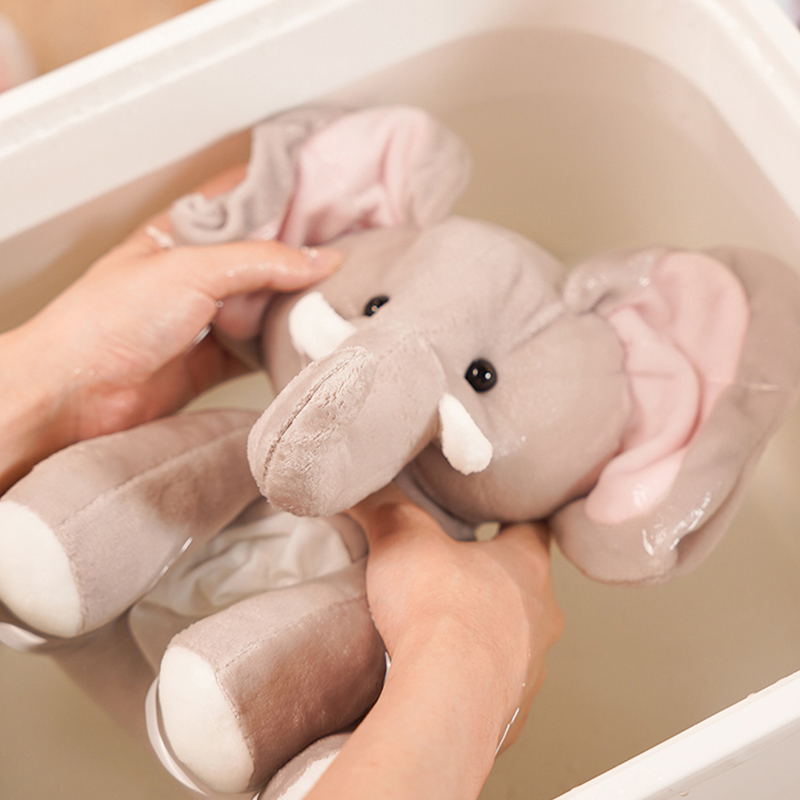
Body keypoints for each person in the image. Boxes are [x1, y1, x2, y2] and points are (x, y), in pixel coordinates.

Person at [0, 169, 563, 800]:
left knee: (309, 664)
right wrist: (468, 653)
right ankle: (60, 557)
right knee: (203, 464)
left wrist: (36, 383)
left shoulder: (430, 555)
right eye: (376, 308)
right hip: (119, 635)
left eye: (480, 374)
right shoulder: (259, 443)